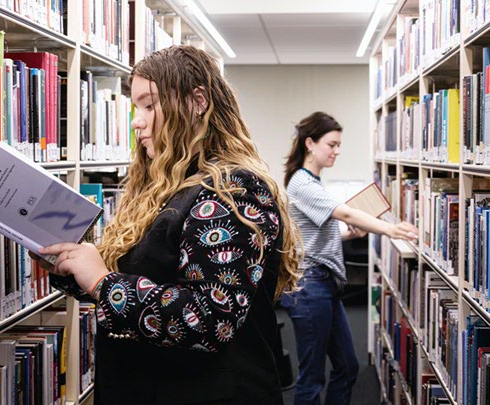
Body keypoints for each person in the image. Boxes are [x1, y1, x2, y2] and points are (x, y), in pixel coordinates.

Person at [37, 45, 301, 404]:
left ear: (198, 101)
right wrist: (74, 266)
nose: (136, 120)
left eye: (149, 105)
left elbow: (210, 318)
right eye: (135, 107)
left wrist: (102, 282)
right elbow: (150, 274)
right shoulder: (165, 187)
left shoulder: (233, 190)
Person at [281, 112, 418, 405]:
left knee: (347, 365)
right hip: (309, 288)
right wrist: (390, 229)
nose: (337, 151)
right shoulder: (301, 183)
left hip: (325, 285)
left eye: (338, 145)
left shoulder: (312, 182)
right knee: (311, 377)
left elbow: (309, 239)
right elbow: (344, 212)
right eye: (331, 144)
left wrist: (346, 235)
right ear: (310, 144)